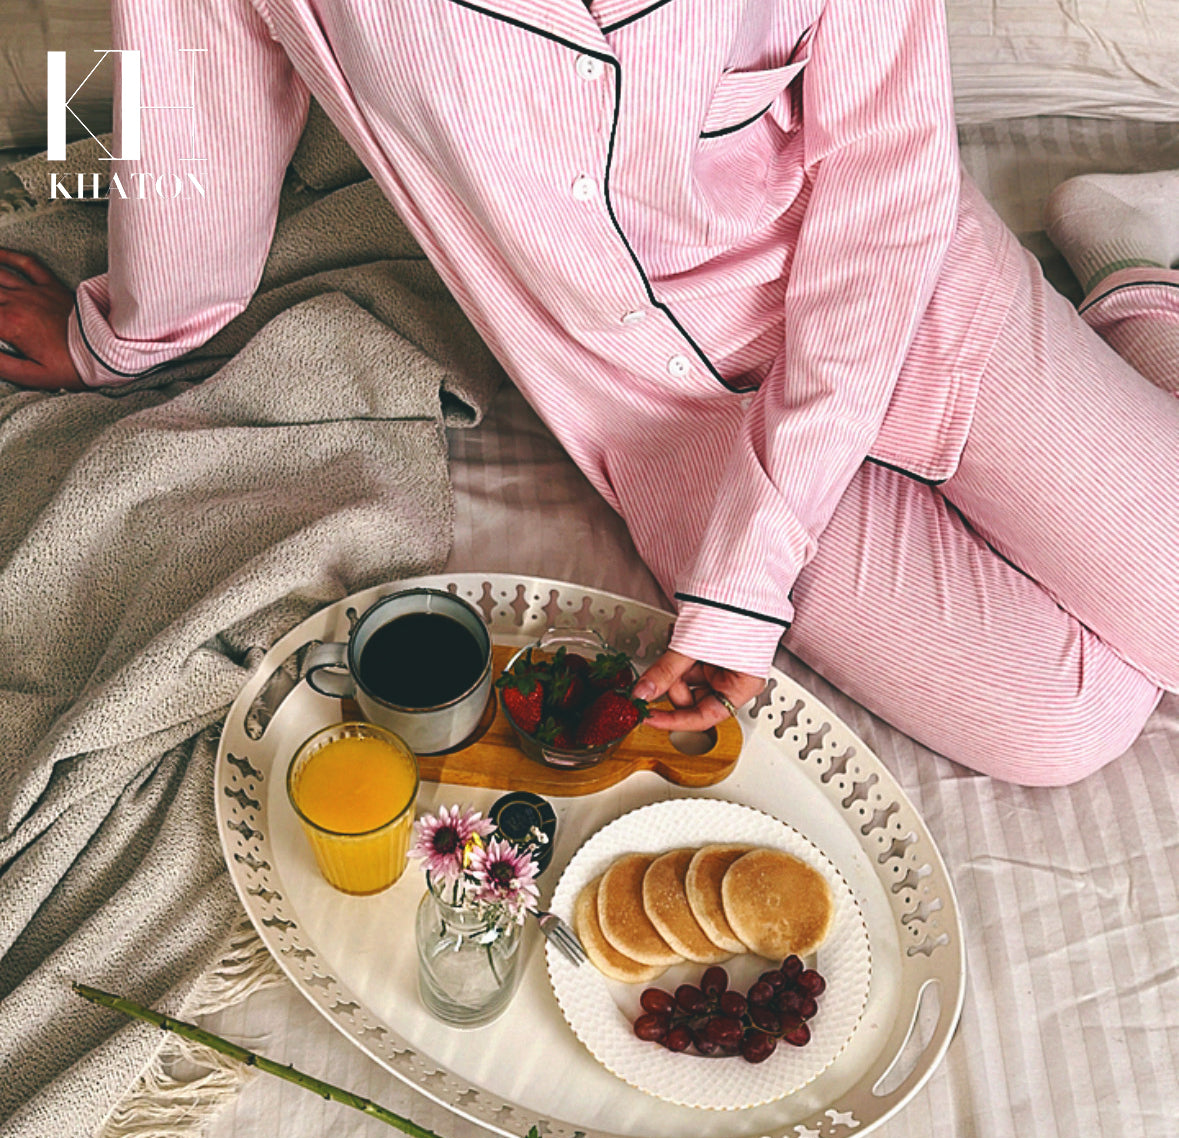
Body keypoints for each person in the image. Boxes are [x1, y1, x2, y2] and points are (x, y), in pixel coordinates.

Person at [0, 0, 1176, 784]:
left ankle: (1136, 277)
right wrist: (123, 339)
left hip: (900, 288)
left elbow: (885, 171)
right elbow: (199, 92)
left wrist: (752, 564)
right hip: (650, 408)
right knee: (1065, 719)